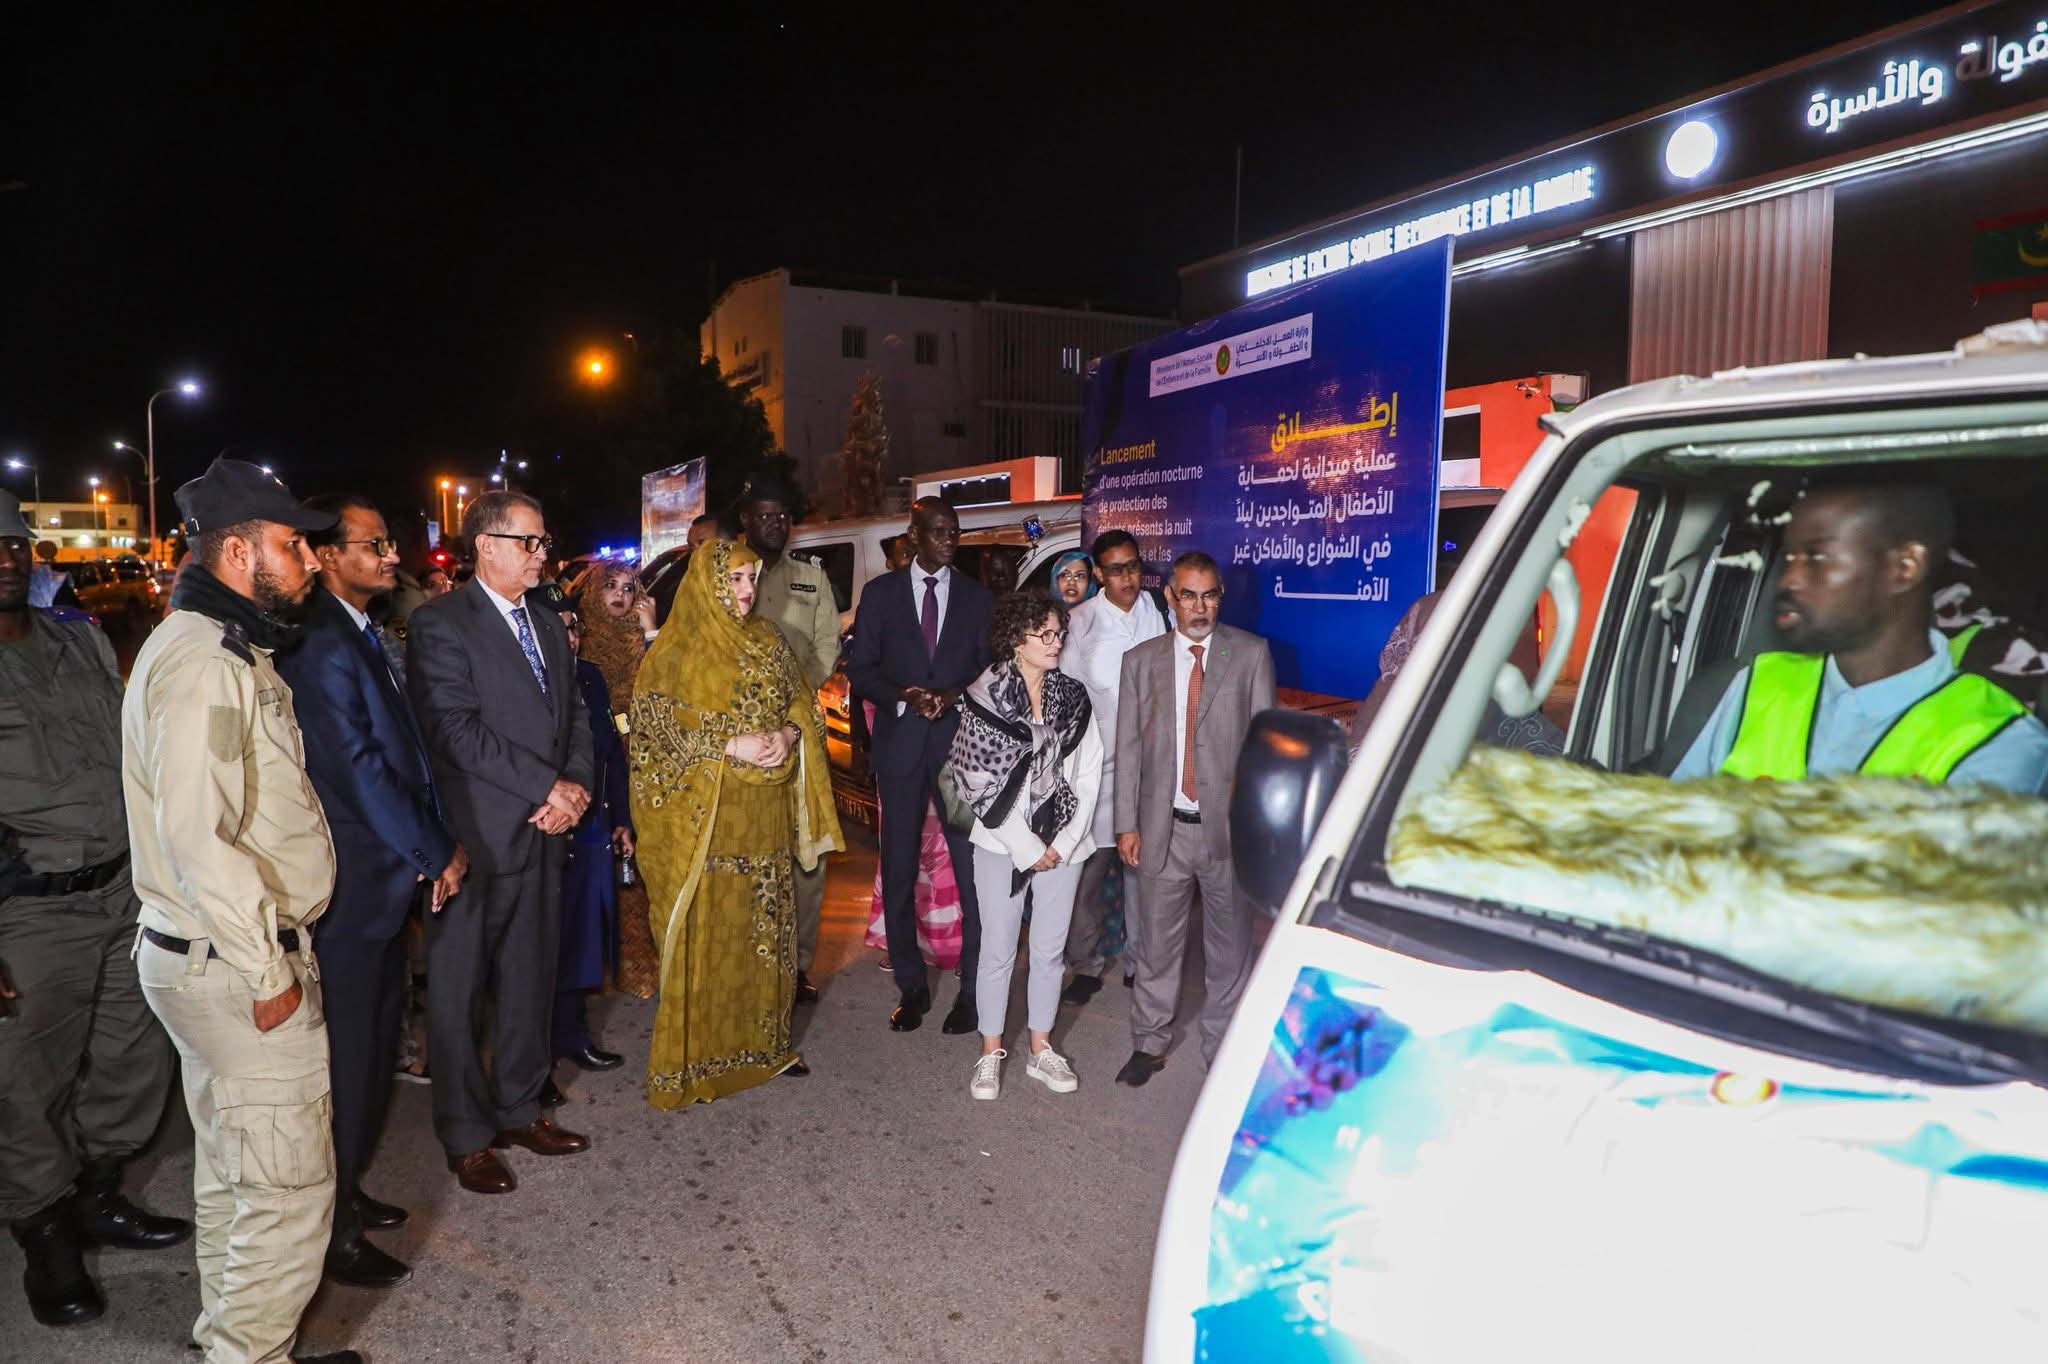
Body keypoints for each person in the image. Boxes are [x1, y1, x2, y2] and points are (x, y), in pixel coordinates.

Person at [122, 458, 359, 1364]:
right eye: (292, 543)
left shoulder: (215, 644)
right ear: (236, 551)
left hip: (207, 956)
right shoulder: (204, 661)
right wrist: (268, 973)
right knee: (288, 1193)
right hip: (233, 962)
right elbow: (198, 833)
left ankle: (234, 1346)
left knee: (235, 1173)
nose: (310, 558)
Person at [0, 490, 188, 1331]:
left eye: (15, 544)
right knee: (24, 1080)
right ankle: (43, 1230)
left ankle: (98, 1192)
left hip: (123, 887)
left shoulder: (77, 641)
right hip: (29, 911)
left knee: (133, 1056)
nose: (6, 558)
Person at [274, 494, 467, 1291]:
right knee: (348, 1063)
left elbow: (403, 752)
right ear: (325, 556)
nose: (392, 556)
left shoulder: (358, 630)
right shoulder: (322, 641)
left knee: (374, 1051)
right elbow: (358, 769)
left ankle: (346, 1190)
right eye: (374, 544)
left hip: (380, 887)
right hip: (352, 890)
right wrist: (433, 849)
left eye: (390, 543)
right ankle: (331, 1233)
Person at [407, 490, 595, 1196]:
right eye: (529, 542)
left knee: (528, 979)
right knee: (458, 994)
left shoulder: (545, 621)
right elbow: (454, 730)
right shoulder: (440, 623)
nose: (542, 554)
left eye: (544, 541)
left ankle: (520, 1108)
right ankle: (466, 1135)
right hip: (476, 840)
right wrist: (547, 785)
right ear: (486, 545)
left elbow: (576, 718)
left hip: (544, 832)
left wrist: (574, 790)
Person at [628, 539, 843, 1107]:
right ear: (709, 584)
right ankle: (697, 1059)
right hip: (708, 821)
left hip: (764, 819)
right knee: (711, 930)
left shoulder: (769, 639)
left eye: (752, 579)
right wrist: (730, 745)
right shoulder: (677, 650)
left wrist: (788, 736)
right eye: (737, 580)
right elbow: (655, 732)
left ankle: (762, 1049)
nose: (748, 591)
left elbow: (803, 703)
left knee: (762, 929)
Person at [1672, 480, 2048, 790]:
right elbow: (1674, 833)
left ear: (1905, 567)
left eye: (1817, 557)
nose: (1789, 580)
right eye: (1789, 558)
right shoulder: (1755, 684)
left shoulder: (1999, 738)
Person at [1113, 550, 1276, 1086]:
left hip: (1226, 832)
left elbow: (1265, 753)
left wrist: (1258, 831)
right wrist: (1126, 823)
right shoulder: (1141, 661)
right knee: (1156, 946)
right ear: (1170, 597)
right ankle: (1149, 1041)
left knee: (1229, 949)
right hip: (1162, 829)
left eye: (1209, 596)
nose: (1199, 607)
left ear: (1220, 597)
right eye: (1188, 596)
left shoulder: (1250, 654)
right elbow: (1128, 748)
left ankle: (1222, 1048)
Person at [845, 497, 993, 1034]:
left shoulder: (977, 597)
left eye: (954, 532)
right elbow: (861, 669)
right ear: (913, 536)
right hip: (902, 748)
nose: (949, 540)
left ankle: (972, 991)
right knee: (900, 868)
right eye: (938, 531)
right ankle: (911, 987)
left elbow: (988, 668)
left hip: (958, 754)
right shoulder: (880, 595)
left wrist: (953, 696)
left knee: (971, 872)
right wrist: (902, 697)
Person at [950, 592, 1102, 1100]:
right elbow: (974, 779)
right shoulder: (985, 695)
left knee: (1049, 951)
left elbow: (1088, 772)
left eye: (1060, 633)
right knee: (997, 950)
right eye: (1046, 634)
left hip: (1064, 843)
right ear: (1017, 638)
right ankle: (989, 1052)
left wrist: (1062, 840)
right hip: (1000, 842)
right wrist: (1026, 845)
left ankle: (1041, 1048)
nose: (1056, 643)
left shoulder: (1073, 696)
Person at [740, 476, 843, 1005]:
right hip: (742, 734)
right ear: (746, 520)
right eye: (765, 515)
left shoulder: (810, 577)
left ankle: (798, 965)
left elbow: (827, 643)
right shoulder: (729, 574)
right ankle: (752, 961)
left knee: (808, 851)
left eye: (782, 516)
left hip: (800, 728)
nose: (775, 524)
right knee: (750, 848)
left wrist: (797, 694)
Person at [1057, 530, 1167, 1004]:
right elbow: (1066, 699)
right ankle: (1085, 964)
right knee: (1090, 869)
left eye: (1133, 566)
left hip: (1150, 764)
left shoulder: (1157, 612)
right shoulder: (1080, 623)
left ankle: (1140, 962)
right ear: (1099, 574)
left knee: (1145, 868)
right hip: (1097, 768)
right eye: (1116, 569)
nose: (1128, 577)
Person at [542, 588, 632, 1076]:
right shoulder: (525, 680)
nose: (571, 637)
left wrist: (621, 819)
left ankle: (573, 1035)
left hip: (593, 822)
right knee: (546, 941)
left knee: (583, 935)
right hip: (548, 826)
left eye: (574, 627)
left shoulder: (591, 677)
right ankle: (539, 1053)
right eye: (559, 628)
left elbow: (611, 752)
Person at [573, 561, 661, 998]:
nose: (620, 595)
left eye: (629, 588)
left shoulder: (640, 641)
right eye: (610, 586)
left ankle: (639, 965)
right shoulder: (578, 641)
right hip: (597, 767)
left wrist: (651, 633)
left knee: (639, 868)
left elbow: (665, 690)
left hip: (646, 764)